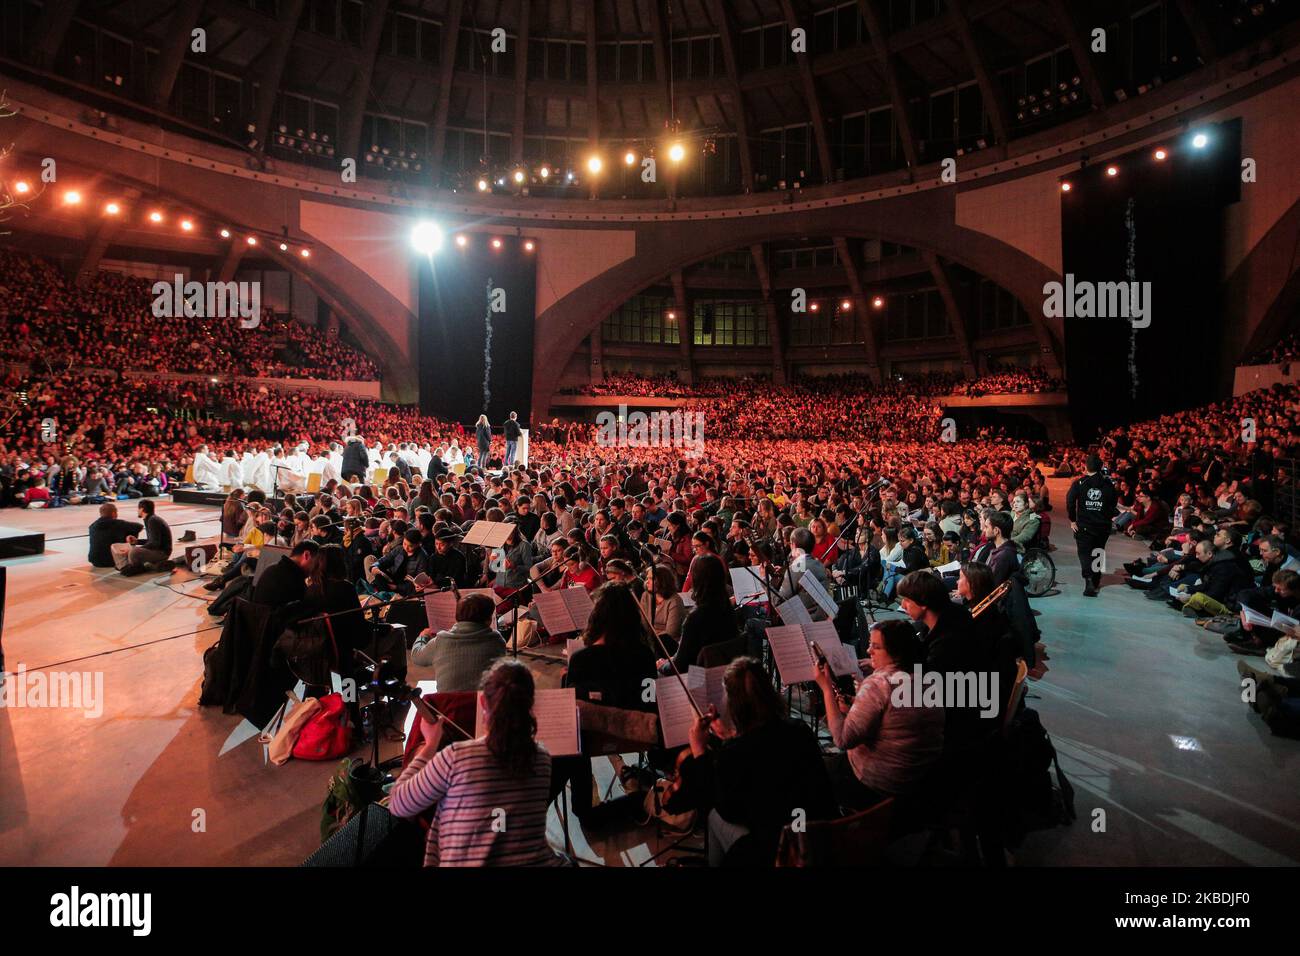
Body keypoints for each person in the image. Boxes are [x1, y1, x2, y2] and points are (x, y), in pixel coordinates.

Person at [389, 659, 563, 866]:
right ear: (531, 707)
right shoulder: (542, 758)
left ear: (482, 703)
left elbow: (399, 805)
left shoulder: (456, 757)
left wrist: (429, 745)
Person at [679, 656, 837, 866]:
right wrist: (728, 737)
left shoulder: (733, 753)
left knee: (714, 817)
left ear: (734, 706)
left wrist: (699, 749)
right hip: (820, 839)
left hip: (780, 851)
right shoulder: (800, 730)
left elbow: (725, 808)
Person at [813, 619, 943, 810]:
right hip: (921, 777)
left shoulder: (878, 684)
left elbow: (843, 739)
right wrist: (856, 707)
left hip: (881, 784)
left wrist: (826, 690)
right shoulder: (927, 679)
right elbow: (894, 722)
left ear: (894, 651)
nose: (868, 652)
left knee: (813, 771)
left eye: (876, 647)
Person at [410, 593, 507, 690]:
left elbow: (416, 656)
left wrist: (423, 636)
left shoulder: (441, 640)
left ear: (456, 616)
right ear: (489, 620)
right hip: (482, 702)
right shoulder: (496, 640)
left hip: (448, 703)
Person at [1066, 454, 1118, 597]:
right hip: (1103, 525)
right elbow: (1113, 503)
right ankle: (1095, 579)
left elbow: (1070, 502)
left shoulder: (1080, 483)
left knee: (1084, 553)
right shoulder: (1108, 484)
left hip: (1084, 525)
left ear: (1085, 466)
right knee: (1098, 551)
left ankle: (1089, 580)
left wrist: (1072, 520)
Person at [111, 499, 173, 575]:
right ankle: (125, 567)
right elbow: (152, 540)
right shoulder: (150, 519)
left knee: (134, 552)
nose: (137, 511)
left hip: (162, 552)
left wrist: (137, 548)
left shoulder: (152, 520)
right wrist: (137, 541)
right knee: (115, 546)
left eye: (138, 509)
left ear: (142, 509)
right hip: (157, 549)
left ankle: (134, 567)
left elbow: (155, 543)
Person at [252, 539, 318, 605]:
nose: (317, 568)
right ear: (306, 555)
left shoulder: (274, 568)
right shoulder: (294, 578)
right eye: (317, 563)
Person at [87, 502, 142, 568]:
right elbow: (139, 526)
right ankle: (127, 554)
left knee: (121, 530)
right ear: (114, 513)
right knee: (131, 530)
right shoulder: (117, 523)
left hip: (95, 561)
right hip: (112, 560)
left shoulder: (92, 526)